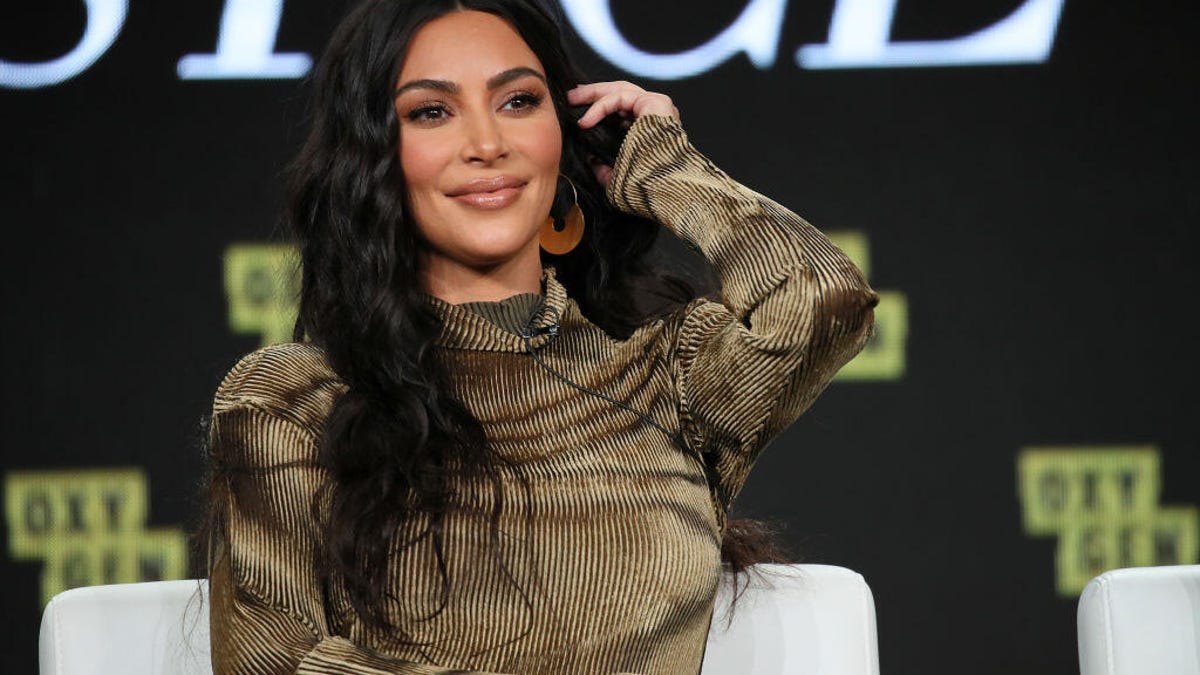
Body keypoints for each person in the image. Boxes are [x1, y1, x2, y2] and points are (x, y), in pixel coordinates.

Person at [200, 0, 878, 672]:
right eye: (431, 112)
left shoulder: (666, 374)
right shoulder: (294, 400)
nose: (487, 143)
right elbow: (269, 662)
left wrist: (666, 171)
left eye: (518, 101)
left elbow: (823, 301)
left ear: (564, 133)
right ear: (373, 155)